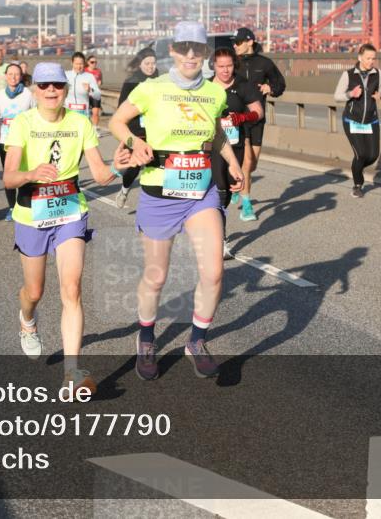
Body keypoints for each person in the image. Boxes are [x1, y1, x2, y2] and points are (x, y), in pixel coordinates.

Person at [109, 21, 244, 381]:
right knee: (156, 277)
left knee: (214, 270)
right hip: (159, 193)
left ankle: (196, 341)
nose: (189, 55)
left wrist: (232, 163)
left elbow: (215, 132)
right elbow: (117, 121)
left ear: (205, 54)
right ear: (172, 50)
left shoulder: (214, 93)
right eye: (183, 48)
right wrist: (134, 143)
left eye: (197, 49)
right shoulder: (152, 89)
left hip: (201, 192)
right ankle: (147, 338)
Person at [2, 62, 129, 397]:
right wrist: (32, 174)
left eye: (56, 85)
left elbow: (100, 175)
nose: (50, 91)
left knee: (71, 289)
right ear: (35, 89)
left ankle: (71, 373)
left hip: (71, 210)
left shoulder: (80, 122)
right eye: (43, 86)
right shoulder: (23, 123)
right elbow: (9, 177)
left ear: (65, 87)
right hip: (31, 213)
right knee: (35, 291)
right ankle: (27, 320)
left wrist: (118, 166)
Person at [211, 47, 262, 258]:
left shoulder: (243, 85)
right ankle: (220, 240)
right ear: (213, 66)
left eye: (229, 66)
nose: (225, 70)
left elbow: (258, 111)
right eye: (221, 66)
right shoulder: (205, 86)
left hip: (236, 145)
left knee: (229, 192)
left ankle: (213, 227)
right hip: (212, 147)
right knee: (219, 190)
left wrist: (243, 118)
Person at [232, 27, 286, 221]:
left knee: (252, 164)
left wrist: (270, 88)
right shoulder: (232, 63)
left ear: (250, 42)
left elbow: (280, 84)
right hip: (237, 119)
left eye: (238, 42)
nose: (235, 46)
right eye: (234, 43)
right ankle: (246, 205)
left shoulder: (264, 63)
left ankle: (237, 180)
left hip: (257, 119)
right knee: (246, 163)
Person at [334, 43, 381, 198]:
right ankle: (357, 185)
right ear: (360, 57)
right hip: (352, 120)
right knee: (361, 154)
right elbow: (337, 96)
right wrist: (351, 94)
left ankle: (357, 167)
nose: (371, 61)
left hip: (371, 120)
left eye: (373, 58)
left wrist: (380, 95)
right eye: (368, 58)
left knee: (373, 155)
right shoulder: (348, 74)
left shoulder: (377, 73)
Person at [0, 63, 36, 220]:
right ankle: (11, 207)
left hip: (25, 142)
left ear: (21, 76)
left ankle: (25, 206)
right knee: (8, 175)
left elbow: (35, 115)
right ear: (5, 76)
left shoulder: (28, 94)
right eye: (10, 74)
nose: (13, 77)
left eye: (16, 74)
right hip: (6, 140)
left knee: (24, 174)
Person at [115, 47, 158, 208]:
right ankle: (124, 190)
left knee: (155, 167)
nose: (150, 66)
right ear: (140, 64)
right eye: (147, 63)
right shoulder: (131, 82)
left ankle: (152, 203)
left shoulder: (160, 81)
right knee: (133, 167)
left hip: (155, 131)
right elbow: (121, 109)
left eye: (153, 63)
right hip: (136, 131)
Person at [64, 52, 101, 125]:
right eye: (76, 64)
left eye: (81, 64)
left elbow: (98, 95)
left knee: (81, 135)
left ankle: (95, 129)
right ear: (72, 63)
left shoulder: (89, 76)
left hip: (83, 112)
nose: (78, 66)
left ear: (84, 63)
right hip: (68, 111)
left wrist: (90, 90)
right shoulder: (65, 75)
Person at [85, 55, 103, 129]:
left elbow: (100, 81)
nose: (94, 64)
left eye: (95, 62)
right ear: (88, 62)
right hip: (85, 95)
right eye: (92, 62)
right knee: (86, 114)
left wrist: (99, 83)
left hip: (95, 94)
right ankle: (87, 128)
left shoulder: (98, 71)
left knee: (95, 113)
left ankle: (95, 129)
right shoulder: (84, 71)